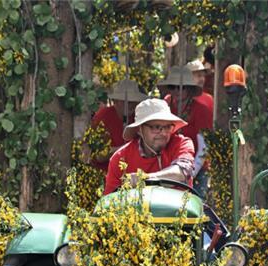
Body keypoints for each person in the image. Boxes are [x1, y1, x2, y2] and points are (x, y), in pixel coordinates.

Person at [104, 98, 195, 195]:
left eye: (168, 127)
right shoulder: (120, 158)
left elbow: (183, 171)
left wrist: (146, 178)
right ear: (139, 130)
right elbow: (110, 199)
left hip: (180, 204)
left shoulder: (182, 143)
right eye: (156, 127)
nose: (164, 133)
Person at [159, 65, 213, 195]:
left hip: (196, 170)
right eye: (173, 87)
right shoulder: (164, 107)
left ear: (189, 89)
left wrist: (190, 173)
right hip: (167, 168)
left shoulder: (201, 110)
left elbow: (204, 147)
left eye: (182, 87)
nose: (177, 90)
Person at [86, 79, 148, 172]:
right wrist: (126, 149)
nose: (131, 104)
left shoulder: (138, 117)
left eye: (134, 101)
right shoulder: (103, 116)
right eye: (127, 101)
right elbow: (98, 155)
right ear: (115, 101)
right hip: (104, 171)